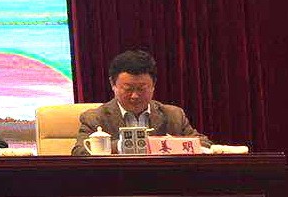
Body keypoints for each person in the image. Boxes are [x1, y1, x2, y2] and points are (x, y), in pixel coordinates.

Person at [72, 49, 210, 155]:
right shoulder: (95, 118)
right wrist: (122, 146)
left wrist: (167, 144)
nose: (135, 96)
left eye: (142, 89)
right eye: (128, 89)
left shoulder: (173, 115)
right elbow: (79, 152)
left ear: (153, 85)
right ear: (113, 85)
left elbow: (205, 144)